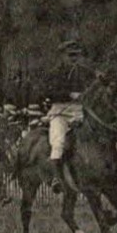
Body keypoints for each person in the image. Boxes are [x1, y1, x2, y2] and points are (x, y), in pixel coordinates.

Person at [42, 39, 99, 193]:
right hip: (60, 111)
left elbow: (95, 88)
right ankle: (56, 178)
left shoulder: (86, 72)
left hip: (80, 110)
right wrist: (69, 94)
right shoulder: (54, 73)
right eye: (70, 55)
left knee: (97, 134)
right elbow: (47, 93)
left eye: (76, 55)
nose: (74, 58)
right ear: (63, 56)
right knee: (58, 142)